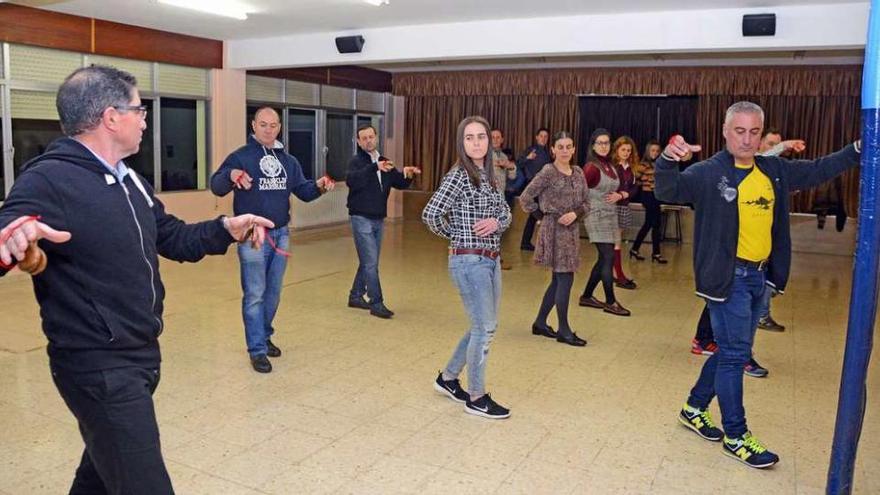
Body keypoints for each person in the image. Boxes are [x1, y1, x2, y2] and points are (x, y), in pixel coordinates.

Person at [0, 65, 274, 494]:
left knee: (100, 475)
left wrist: (226, 227)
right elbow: (7, 229)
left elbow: (173, 237)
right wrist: (13, 239)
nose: (145, 119)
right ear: (111, 117)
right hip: (97, 364)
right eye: (138, 109)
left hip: (140, 351)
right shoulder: (49, 178)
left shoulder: (132, 182)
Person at [657, 101, 861, 469]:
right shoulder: (709, 173)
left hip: (759, 277)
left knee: (732, 350)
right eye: (739, 131)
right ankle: (736, 436)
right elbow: (667, 189)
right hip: (727, 278)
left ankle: (693, 408)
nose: (747, 139)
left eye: (754, 132)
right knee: (736, 355)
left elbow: (817, 170)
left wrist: (856, 150)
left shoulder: (773, 170)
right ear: (725, 131)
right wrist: (668, 159)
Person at [211, 107, 334, 373]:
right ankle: (257, 350)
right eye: (263, 124)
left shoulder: (288, 161)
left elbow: (304, 191)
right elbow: (216, 185)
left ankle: (264, 336)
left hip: (281, 233)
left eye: (273, 125)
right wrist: (231, 176)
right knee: (255, 293)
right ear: (253, 126)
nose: (268, 130)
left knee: (273, 293)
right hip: (253, 235)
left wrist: (321, 186)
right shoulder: (240, 157)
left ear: (279, 127)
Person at [423, 115, 513, 419]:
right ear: (462, 143)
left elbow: (506, 214)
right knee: (485, 327)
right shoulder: (459, 175)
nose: (476, 142)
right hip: (468, 260)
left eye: (481, 137)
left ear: (489, 140)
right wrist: (458, 235)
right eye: (469, 137)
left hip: (491, 261)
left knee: (482, 325)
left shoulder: (490, 176)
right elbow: (431, 214)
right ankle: (476, 396)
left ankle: (447, 378)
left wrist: (497, 222)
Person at [519, 131, 590, 346]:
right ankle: (564, 330)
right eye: (561, 147)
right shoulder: (548, 172)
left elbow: (587, 203)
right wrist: (542, 217)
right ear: (553, 150)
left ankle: (540, 322)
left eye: (569, 146)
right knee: (565, 279)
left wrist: (576, 214)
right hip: (554, 231)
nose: (565, 151)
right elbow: (525, 197)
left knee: (559, 279)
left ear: (574, 149)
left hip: (571, 232)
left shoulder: (578, 172)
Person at [345, 123, 420, 318]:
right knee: (371, 263)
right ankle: (376, 303)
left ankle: (355, 295)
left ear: (376, 138)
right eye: (364, 138)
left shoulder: (385, 161)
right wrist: (374, 167)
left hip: (378, 218)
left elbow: (399, 182)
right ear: (359, 142)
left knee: (369, 261)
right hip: (360, 218)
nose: (369, 140)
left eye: (371, 136)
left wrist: (408, 174)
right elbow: (352, 181)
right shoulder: (357, 162)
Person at [578, 129, 630, 317]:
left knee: (603, 259)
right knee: (608, 257)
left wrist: (621, 194)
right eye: (600, 143)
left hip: (610, 215)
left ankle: (587, 296)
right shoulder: (591, 167)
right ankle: (610, 301)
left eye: (607, 143)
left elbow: (625, 187)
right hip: (596, 215)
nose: (604, 146)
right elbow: (580, 192)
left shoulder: (610, 165)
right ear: (593, 145)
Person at [630, 140, 667, 263]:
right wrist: (644, 183)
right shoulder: (643, 165)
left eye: (657, 151)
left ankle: (637, 250)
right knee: (652, 223)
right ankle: (654, 253)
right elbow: (634, 178)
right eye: (652, 150)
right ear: (648, 151)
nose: (655, 153)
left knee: (654, 224)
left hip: (657, 196)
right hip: (647, 195)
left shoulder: (659, 165)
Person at [611, 136, 640, 289]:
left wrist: (625, 194)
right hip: (611, 207)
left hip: (623, 205)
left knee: (617, 241)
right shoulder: (612, 167)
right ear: (617, 150)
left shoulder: (631, 168)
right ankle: (618, 274)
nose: (626, 152)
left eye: (629, 150)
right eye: (623, 150)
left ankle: (614, 273)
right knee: (615, 241)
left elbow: (635, 187)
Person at [517, 127, 551, 251]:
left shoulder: (547, 153)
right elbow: (518, 164)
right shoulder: (530, 150)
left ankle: (525, 243)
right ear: (536, 137)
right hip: (530, 187)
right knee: (539, 215)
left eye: (545, 136)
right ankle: (541, 243)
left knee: (532, 217)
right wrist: (528, 158)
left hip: (542, 188)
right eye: (541, 136)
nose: (543, 138)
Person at [491, 128, 518, 270]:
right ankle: (492, 260)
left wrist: (510, 166)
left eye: (498, 137)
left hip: (500, 198)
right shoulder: (484, 155)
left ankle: (495, 259)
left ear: (502, 140)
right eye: (492, 137)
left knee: (497, 230)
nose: (495, 139)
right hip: (487, 199)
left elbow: (512, 177)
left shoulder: (503, 156)